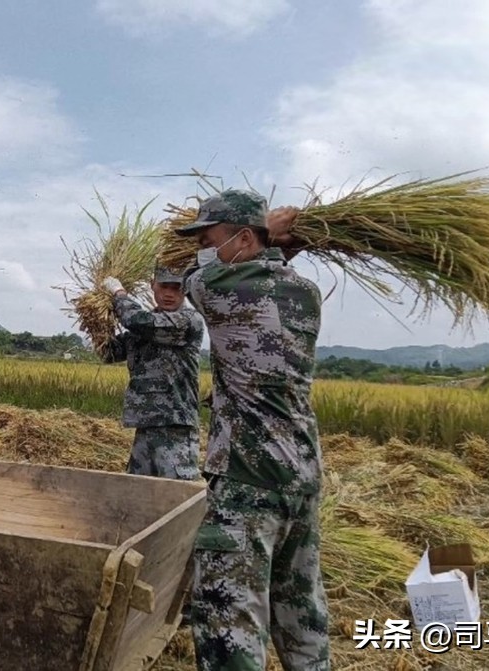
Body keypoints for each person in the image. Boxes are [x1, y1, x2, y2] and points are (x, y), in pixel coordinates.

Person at [176, 188, 329, 671]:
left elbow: (190, 280)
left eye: (209, 237)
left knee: (230, 626)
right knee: (301, 617)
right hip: (300, 478)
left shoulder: (217, 288)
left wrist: (273, 234)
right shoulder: (305, 292)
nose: (203, 247)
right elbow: (267, 275)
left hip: (248, 482)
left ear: (244, 237)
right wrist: (277, 241)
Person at [99, 264, 204, 481]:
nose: (169, 293)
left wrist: (118, 294)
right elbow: (108, 353)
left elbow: (138, 321)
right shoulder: (143, 328)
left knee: (175, 494)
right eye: (164, 286)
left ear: (186, 290)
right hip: (146, 426)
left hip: (175, 428)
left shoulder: (187, 321)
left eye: (177, 288)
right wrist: (98, 319)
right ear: (152, 286)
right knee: (138, 492)